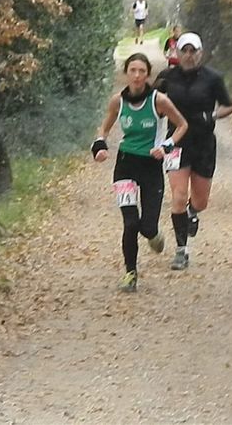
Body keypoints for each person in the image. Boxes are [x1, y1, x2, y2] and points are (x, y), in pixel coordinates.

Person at [91, 53, 188, 292]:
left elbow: (183, 125)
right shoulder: (117, 101)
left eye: (141, 71)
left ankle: (154, 235)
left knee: (147, 227)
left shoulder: (159, 101)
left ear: (148, 75)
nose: (136, 76)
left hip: (151, 165)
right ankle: (130, 274)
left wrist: (166, 146)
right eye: (132, 70)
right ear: (126, 73)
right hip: (125, 164)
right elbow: (104, 127)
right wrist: (99, 145)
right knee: (130, 222)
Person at [154, 32, 232, 270]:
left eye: (193, 51)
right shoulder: (167, 77)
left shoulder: (213, 78)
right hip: (176, 142)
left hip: (204, 143)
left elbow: (228, 106)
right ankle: (181, 251)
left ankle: (192, 212)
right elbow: (152, 99)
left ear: (200, 53)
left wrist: (211, 115)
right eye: (184, 51)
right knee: (178, 196)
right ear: (177, 53)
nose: (189, 56)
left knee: (200, 201)